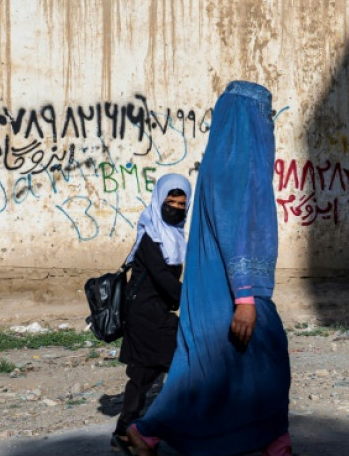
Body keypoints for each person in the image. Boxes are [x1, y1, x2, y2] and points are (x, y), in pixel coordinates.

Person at [125, 80, 292, 456]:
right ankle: (272, 441)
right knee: (265, 360)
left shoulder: (221, 165)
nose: (266, 124)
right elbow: (236, 231)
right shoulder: (236, 168)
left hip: (216, 291)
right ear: (244, 122)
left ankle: (148, 433)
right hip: (232, 292)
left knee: (209, 370)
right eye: (261, 115)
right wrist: (245, 298)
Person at [111, 173, 192, 455]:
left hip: (154, 312)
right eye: (170, 202)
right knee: (183, 366)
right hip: (146, 315)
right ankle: (157, 432)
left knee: (144, 374)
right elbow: (162, 277)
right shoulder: (152, 236)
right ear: (159, 200)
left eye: (181, 204)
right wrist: (192, 301)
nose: (176, 208)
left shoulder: (174, 235)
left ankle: (124, 432)